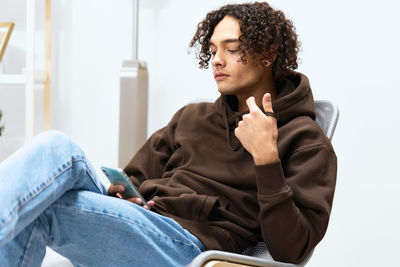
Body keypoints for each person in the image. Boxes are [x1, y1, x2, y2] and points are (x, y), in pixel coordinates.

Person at [0, 2, 337, 266]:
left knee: (38, 206)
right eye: (213, 49)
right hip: (144, 220)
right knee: (56, 147)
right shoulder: (193, 116)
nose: (217, 60)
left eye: (231, 48)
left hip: (189, 247)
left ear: (268, 54)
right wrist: (124, 192)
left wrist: (266, 158)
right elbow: (131, 178)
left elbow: (291, 250)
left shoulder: (304, 139)